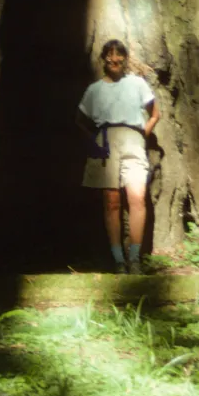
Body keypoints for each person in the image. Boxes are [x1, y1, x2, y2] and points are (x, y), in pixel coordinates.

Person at [76, 39, 160, 274]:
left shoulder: (136, 83)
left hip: (133, 139)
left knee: (137, 197)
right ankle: (118, 260)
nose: (114, 60)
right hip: (106, 141)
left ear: (125, 59)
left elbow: (155, 113)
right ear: (103, 59)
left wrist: (142, 133)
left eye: (119, 55)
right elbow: (80, 120)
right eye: (110, 56)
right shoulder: (95, 90)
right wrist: (95, 140)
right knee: (111, 201)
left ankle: (134, 258)